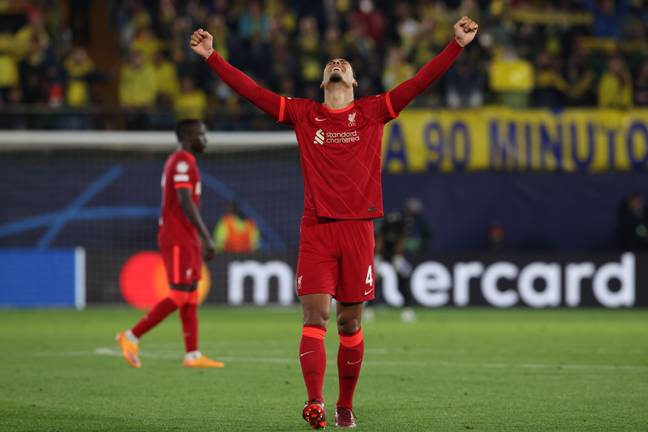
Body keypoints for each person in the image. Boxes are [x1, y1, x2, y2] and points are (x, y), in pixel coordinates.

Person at [190, 16, 478, 429]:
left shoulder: (375, 111)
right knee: (315, 317)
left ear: (355, 82)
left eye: (343, 64)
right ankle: (315, 403)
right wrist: (212, 57)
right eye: (330, 65)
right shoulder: (305, 116)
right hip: (318, 229)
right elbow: (252, 91)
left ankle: (345, 404)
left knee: (350, 321)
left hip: (359, 229)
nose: (336, 64)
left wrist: (456, 45)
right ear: (324, 83)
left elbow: (419, 81)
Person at [116, 119, 224, 369]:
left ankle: (192, 354)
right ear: (187, 136)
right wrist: (207, 236)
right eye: (201, 135)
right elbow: (185, 201)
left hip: (186, 236)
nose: (205, 140)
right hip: (177, 236)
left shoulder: (185, 161)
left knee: (190, 295)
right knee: (178, 294)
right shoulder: (182, 161)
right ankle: (130, 335)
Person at [375, 212, 416, 323]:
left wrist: (397, 257)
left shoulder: (400, 228)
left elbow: (401, 242)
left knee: (404, 279)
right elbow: (379, 242)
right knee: (373, 281)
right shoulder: (384, 227)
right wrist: (378, 257)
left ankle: (408, 309)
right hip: (382, 254)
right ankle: (368, 308)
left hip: (395, 255)